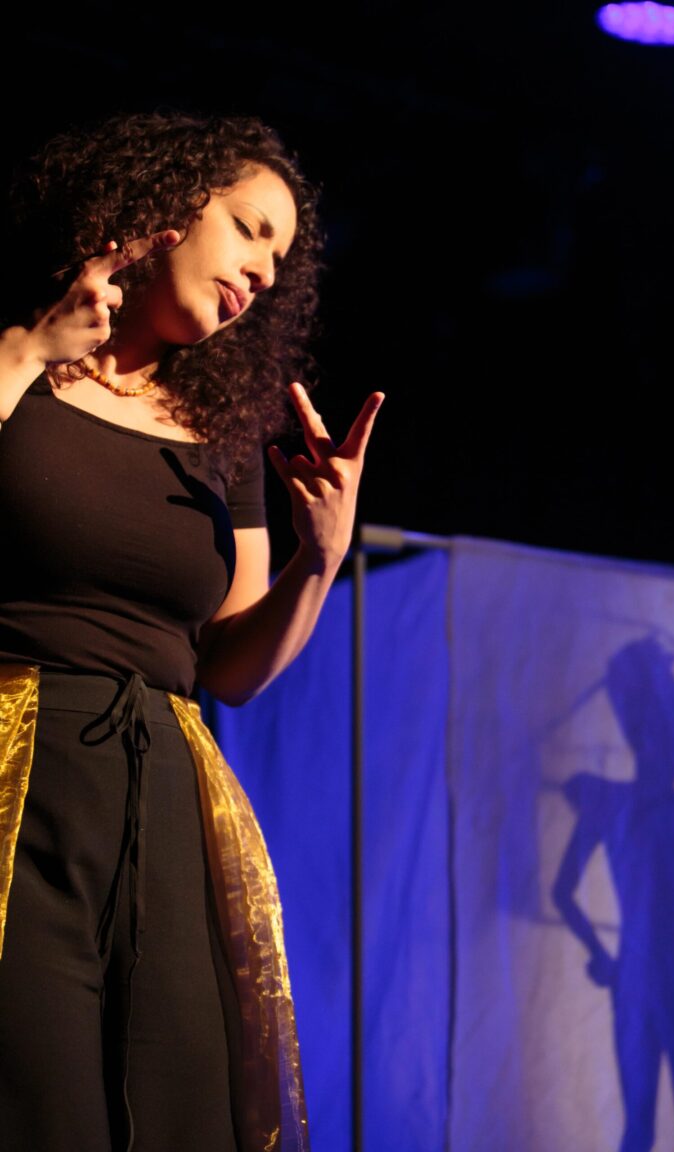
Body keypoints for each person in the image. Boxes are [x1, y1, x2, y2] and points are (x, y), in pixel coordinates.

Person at [0, 108, 384, 1152]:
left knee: (174, 1098)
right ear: (171, 204)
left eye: (284, 259)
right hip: (17, 774)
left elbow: (234, 669)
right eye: (252, 228)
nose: (264, 270)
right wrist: (28, 349)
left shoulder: (214, 441)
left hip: (164, 789)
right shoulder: (16, 362)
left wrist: (321, 558)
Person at [551, 635, 674, 1152]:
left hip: (651, 975)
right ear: (652, 736)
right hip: (653, 975)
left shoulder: (670, 813)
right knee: (656, 1123)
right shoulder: (617, 807)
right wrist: (603, 955)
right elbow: (563, 891)